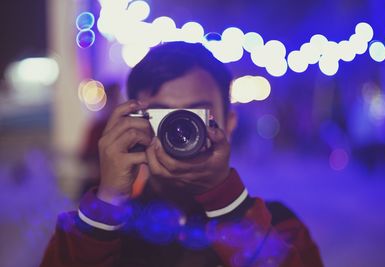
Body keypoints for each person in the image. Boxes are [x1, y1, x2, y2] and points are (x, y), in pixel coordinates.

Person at [40, 42, 323, 267]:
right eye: (162, 116)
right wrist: (109, 200)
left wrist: (227, 203)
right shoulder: (109, 230)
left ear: (229, 124)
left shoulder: (279, 225)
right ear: (135, 123)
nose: (179, 131)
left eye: (197, 116)